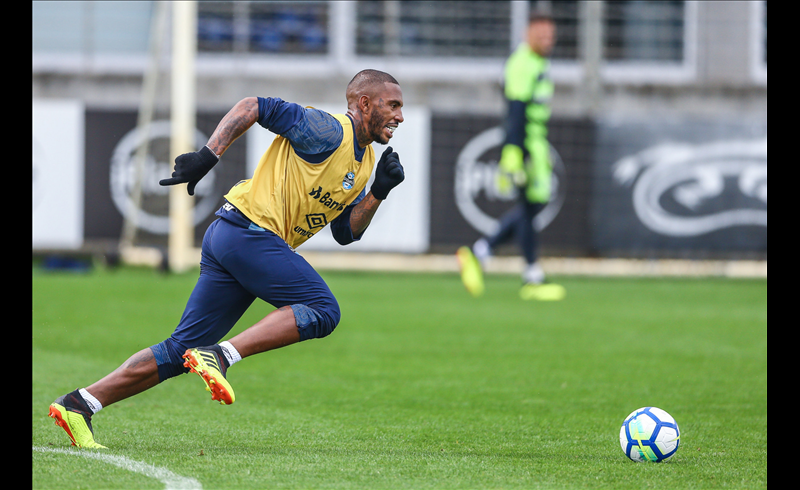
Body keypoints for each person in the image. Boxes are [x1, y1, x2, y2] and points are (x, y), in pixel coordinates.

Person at [48, 69, 406, 448]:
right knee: (323, 309)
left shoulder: (364, 160)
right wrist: (207, 156)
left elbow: (345, 232)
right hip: (248, 233)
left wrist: (378, 192)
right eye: (394, 105)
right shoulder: (328, 130)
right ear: (364, 103)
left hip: (235, 236)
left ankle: (80, 404)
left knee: (178, 352)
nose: (400, 116)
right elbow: (253, 105)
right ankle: (219, 356)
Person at [456, 13, 565, 301]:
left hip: (533, 143)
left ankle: (481, 253)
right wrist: (515, 153)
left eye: (550, 36)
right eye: (541, 35)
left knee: (531, 207)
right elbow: (515, 110)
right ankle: (531, 277)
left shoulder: (538, 62)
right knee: (530, 206)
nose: (547, 41)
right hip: (525, 144)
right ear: (527, 34)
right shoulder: (522, 63)